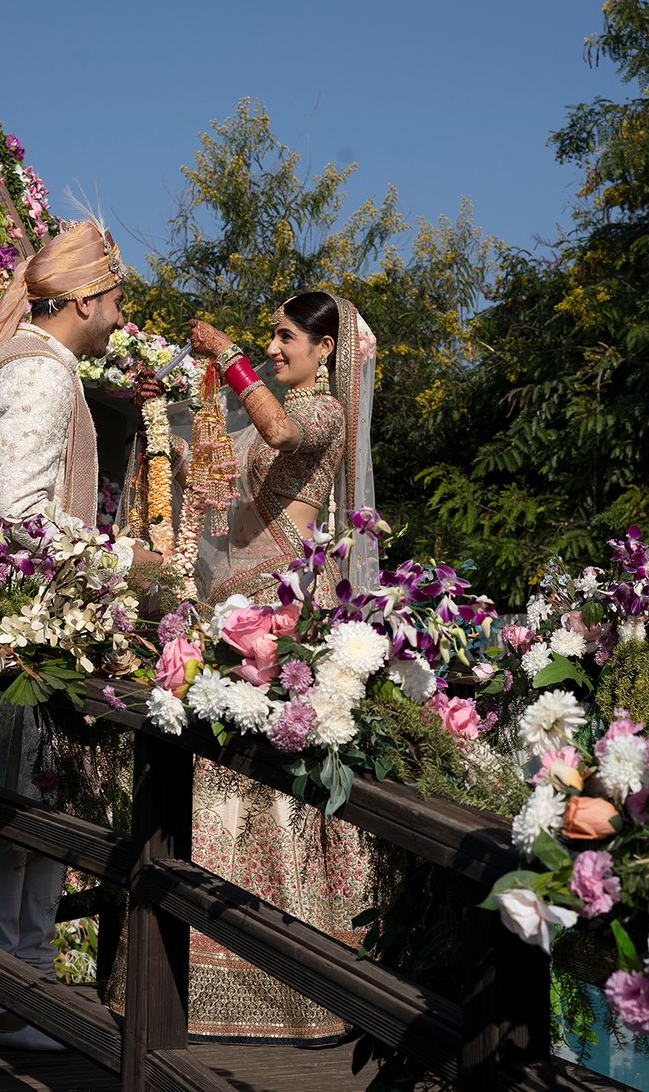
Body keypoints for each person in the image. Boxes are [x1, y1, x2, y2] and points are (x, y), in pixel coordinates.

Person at [0, 217, 162, 1051]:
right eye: (116, 299)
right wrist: (123, 562)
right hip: (26, 634)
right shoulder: (37, 376)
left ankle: (18, 980)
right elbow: (23, 522)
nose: (120, 316)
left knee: (32, 798)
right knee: (18, 805)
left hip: (30, 628)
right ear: (85, 299)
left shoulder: (31, 363)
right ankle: (0, 994)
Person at [183, 291, 378, 1041]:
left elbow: (278, 426)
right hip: (238, 602)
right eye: (269, 336)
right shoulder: (275, 397)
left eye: (286, 337)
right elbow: (228, 471)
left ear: (326, 351)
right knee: (220, 775)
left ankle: (290, 980)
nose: (274, 347)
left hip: (281, 607)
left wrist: (227, 352)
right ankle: (198, 963)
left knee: (270, 781)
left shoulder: (321, 412)